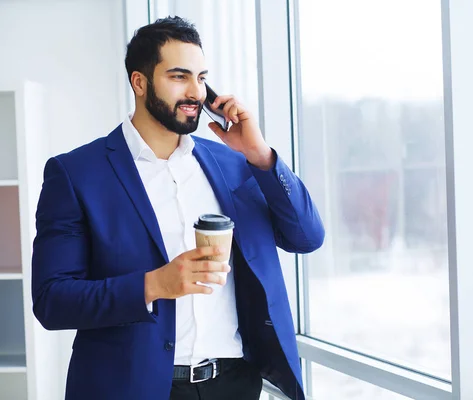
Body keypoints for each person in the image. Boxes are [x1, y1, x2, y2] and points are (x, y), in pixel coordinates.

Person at [31, 16, 324, 400]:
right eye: (179, 76)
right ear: (139, 82)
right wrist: (154, 285)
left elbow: (307, 237)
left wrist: (260, 155)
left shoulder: (234, 164)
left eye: (201, 77)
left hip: (234, 385)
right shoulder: (76, 174)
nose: (196, 92)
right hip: (133, 388)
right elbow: (53, 300)